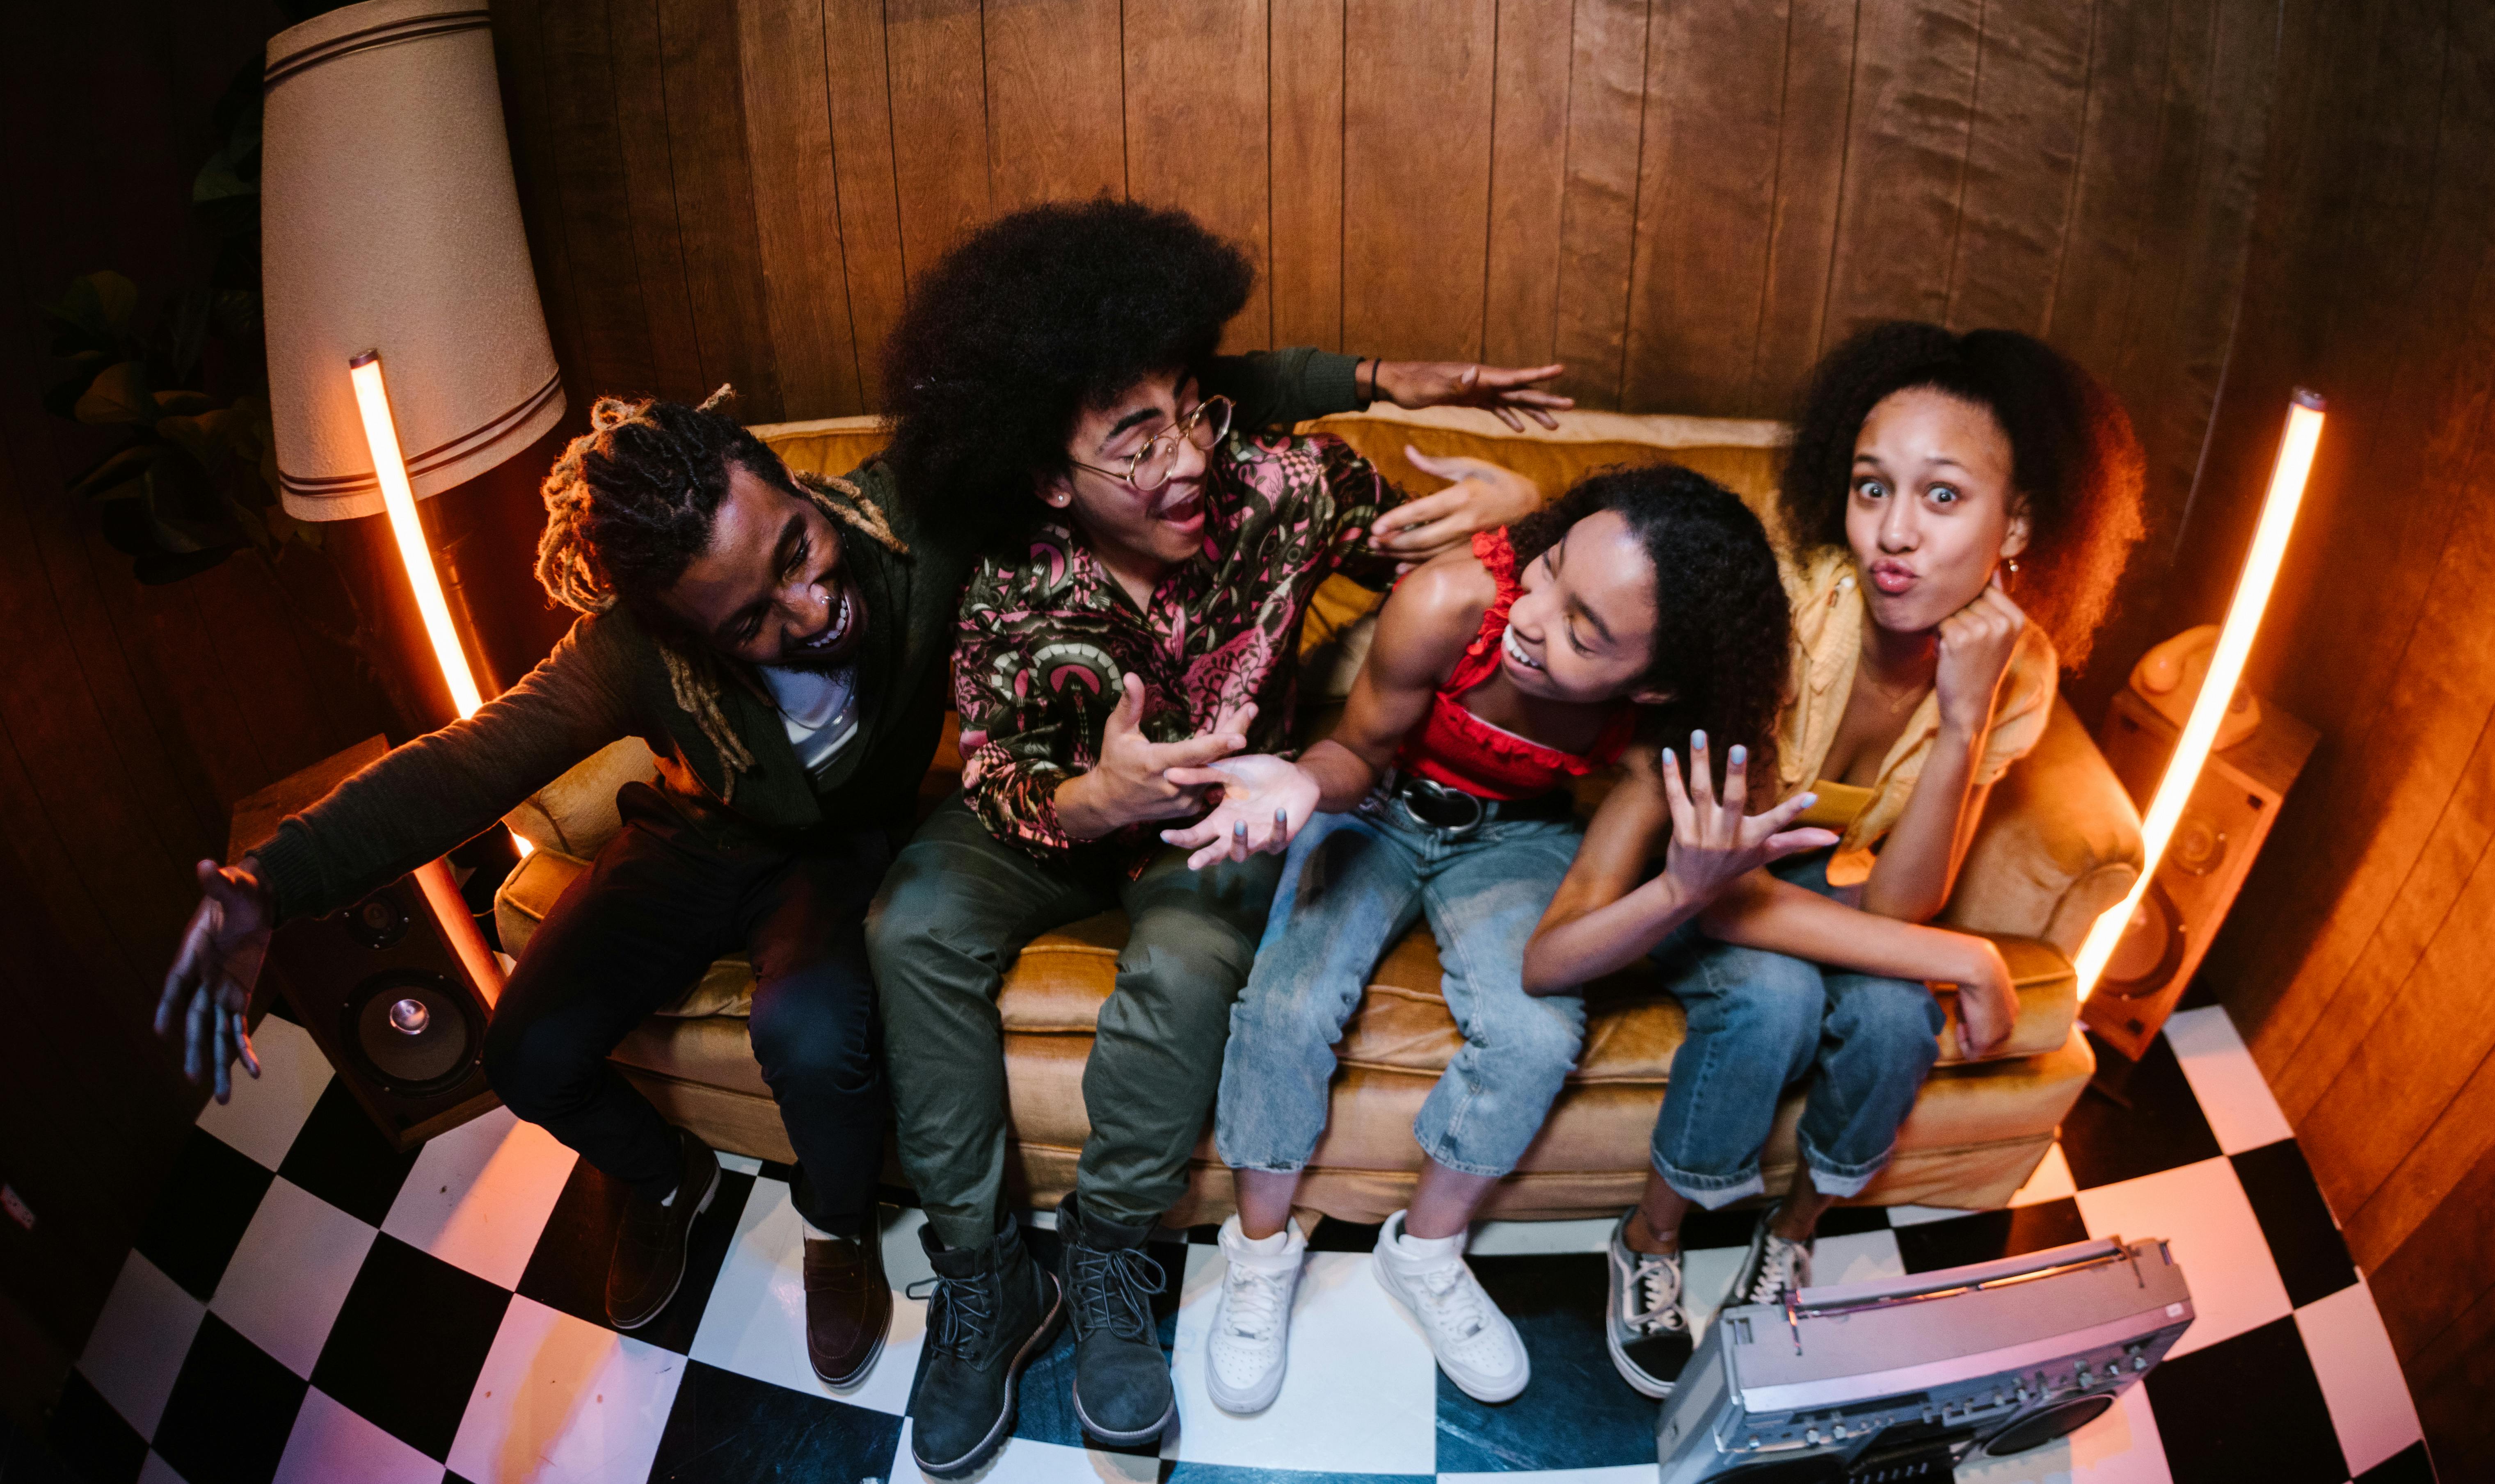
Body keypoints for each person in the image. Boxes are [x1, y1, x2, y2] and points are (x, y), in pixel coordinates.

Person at [151, 315, 1563, 1393]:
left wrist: (1376, 374)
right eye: (756, 613)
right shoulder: (624, 655)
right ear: (682, 629)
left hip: (847, 853)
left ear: (803, 490)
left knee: (817, 1020)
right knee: (523, 1053)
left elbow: (1152, 408)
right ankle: (668, 1185)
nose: (813, 603)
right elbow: (460, 766)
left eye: (801, 549)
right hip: (713, 837)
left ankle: (868, 1234)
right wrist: (269, 882)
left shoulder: (906, 516)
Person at [867, 198, 1547, 1475]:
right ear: (1048, 474)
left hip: (1226, 817)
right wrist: (1095, 799)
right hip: (1057, 815)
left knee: (1182, 965)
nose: (1186, 455)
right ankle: (985, 1276)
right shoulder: (1008, 574)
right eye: (1137, 436)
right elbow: (1003, 765)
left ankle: (1115, 1259)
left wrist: (1515, 507)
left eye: (1192, 405)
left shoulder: (1283, 486)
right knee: (909, 922)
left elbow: (1458, 568)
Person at [1520, 320, 2147, 1397]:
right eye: (1872, 488)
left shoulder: (2020, 673)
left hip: (1820, 884)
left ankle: (1797, 1228)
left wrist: (1962, 722)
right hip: (1709, 870)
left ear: (2019, 524)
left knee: (1900, 1013)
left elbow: (1906, 898)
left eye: (1943, 496)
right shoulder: (1796, 600)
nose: (1894, 533)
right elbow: (1729, 898)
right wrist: (1967, 957)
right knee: (1771, 998)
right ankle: (1652, 1237)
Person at [1187, 466, 1818, 1413]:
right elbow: (1357, 750)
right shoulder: (1450, 599)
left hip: (1517, 835)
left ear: (1656, 686)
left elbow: (1553, 959)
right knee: (1288, 1004)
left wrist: (1684, 886)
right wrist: (1304, 786)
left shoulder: (1667, 734)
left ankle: (1425, 1253)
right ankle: (1260, 1255)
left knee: (1533, 1035)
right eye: (1548, 572)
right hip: (1376, 808)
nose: (1532, 615)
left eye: (1582, 629)